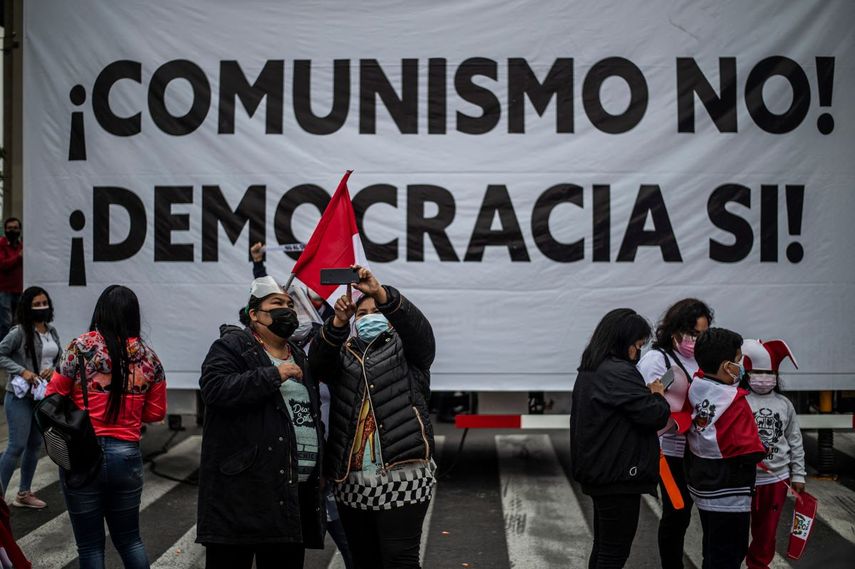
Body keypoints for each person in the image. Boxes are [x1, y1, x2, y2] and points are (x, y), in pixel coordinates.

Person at [309, 265, 436, 569]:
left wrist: (381, 292)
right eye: (361, 314)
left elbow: (421, 334)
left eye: (375, 310)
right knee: (364, 560)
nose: (368, 317)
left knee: (399, 560)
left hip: (403, 474)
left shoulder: (407, 350)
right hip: (351, 480)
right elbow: (317, 364)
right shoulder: (344, 352)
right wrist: (337, 323)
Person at [198, 276, 325, 569]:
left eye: (290, 305)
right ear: (254, 314)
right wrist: (273, 375)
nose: (287, 311)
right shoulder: (232, 346)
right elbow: (214, 389)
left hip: (288, 498)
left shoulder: (299, 355)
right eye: (277, 304)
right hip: (241, 500)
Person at [46, 285, 167, 568]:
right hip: (126, 455)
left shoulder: (79, 348)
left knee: (89, 547)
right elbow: (155, 413)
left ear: (100, 312)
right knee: (130, 540)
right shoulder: (149, 358)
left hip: (82, 455)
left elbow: (53, 395)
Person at [571, 308, 670, 569]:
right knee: (614, 552)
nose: (637, 353)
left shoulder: (592, 368)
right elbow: (653, 415)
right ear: (622, 342)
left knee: (604, 546)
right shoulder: (619, 372)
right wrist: (658, 394)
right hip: (619, 474)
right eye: (637, 345)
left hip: (600, 470)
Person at [636, 298, 713, 569]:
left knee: (701, 512)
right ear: (674, 330)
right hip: (667, 451)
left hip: (699, 448)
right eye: (692, 333)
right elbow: (645, 403)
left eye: (702, 334)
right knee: (677, 512)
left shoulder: (703, 357)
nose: (696, 340)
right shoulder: (658, 359)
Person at [685, 328, 765, 569]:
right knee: (730, 552)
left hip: (702, 483)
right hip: (729, 491)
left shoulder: (697, 383)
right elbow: (749, 447)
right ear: (726, 366)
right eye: (738, 360)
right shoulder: (734, 402)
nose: (741, 365)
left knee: (712, 547)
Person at [741, 339, 806, 569]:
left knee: (766, 532)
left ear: (776, 375)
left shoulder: (784, 404)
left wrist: (799, 475)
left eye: (769, 373)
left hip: (776, 479)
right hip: (743, 480)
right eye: (757, 372)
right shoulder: (739, 401)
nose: (763, 377)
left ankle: (758, 565)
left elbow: (795, 441)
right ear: (747, 373)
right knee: (737, 532)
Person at [0, 286, 61, 508]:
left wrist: (54, 370)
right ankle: (0, 496)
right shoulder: (19, 332)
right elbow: (1, 354)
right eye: (36, 304)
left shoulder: (51, 331)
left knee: (35, 444)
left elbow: (60, 358)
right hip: (19, 396)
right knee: (16, 445)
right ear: (27, 307)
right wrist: (22, 371)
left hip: (42, 396)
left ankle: (23, 493)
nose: (41, 308)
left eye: (44, 303)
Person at [0, 218, 23, 343]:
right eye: (9, 228)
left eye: (15, 228)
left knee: (17, 323)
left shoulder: (21, 246)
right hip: (5, 291)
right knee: (5, 324)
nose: (12, 230)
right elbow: (3, 264)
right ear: (5, 230)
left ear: (20, 230)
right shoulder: (1, 244)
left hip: (19, 290)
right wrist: (18, 257)